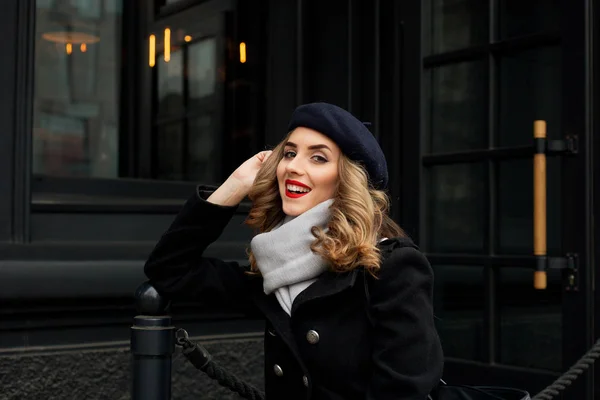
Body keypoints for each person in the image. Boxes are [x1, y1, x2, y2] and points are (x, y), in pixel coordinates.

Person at [144, 102, 444, 399]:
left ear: (347, 179)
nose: (293, 167)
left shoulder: (392, 267)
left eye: (318, 158)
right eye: (289, 154)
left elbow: (402, 391)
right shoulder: (274, 271)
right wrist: (234, 185)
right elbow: (170, 269)